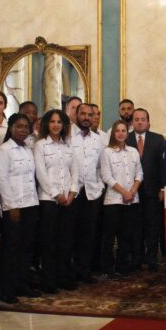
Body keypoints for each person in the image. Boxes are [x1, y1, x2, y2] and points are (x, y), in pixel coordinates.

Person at [0, 114, 41, 301]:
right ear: (11, 128)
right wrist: (11, 205)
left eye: (25, 127)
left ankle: (22, 284)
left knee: (26, 248)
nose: (23, 129)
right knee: (10, 249)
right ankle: (7, 289)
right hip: (14, 208)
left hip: (30, 204)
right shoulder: (4, 151)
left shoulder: (28, 149)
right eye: (19, 126)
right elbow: (2, 179)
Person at [34, 109, 79, 292]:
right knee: (49, 243)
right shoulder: (40, 146)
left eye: (59, 122)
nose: (55, 125)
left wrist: (72, 192)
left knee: (65, 241)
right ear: (47, 124)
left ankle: (63, 277)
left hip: (67, 200)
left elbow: (75, 171)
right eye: (52, 121)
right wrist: (56, 194)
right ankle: (49, 281)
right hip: (48, 201)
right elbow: (41, 173)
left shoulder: (68, 146)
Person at [101, 120, 143, 280]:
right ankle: (108, 267)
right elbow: (106, 176)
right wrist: (124, 192)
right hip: (113, 201)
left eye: (123, 130)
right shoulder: (107, 152)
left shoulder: (133, 152)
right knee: (110, 236)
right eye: (117, 130)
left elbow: (139, 173)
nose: (120, 133)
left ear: (127, 133)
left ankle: (122, 265)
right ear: (113, 133)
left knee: (127, 235)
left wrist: (133, 190)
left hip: (132, 200)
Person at [69, 103, 105, 282]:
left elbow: (101, 166)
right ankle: (70, 272)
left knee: (88, 234)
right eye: (82, 114)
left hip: (92, 193)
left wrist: (99, 186)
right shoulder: (67, 136)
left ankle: (84, 271)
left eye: (89, 115)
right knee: (70, 234)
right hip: (72, 193)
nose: (86, 117)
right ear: (76, 115)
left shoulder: (98, 139)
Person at [126, 109, 165, 272]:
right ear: (132, 122)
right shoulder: (125, 138)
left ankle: (151, 258)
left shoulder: (158, 139)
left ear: (148, 122)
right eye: (137, 119)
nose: (140, 122)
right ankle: (136, 258)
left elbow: (163, 166)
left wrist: (163, 188)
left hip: (152, 190)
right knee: (135, 226)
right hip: (131, 191)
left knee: (152, 226)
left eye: (143, 119)